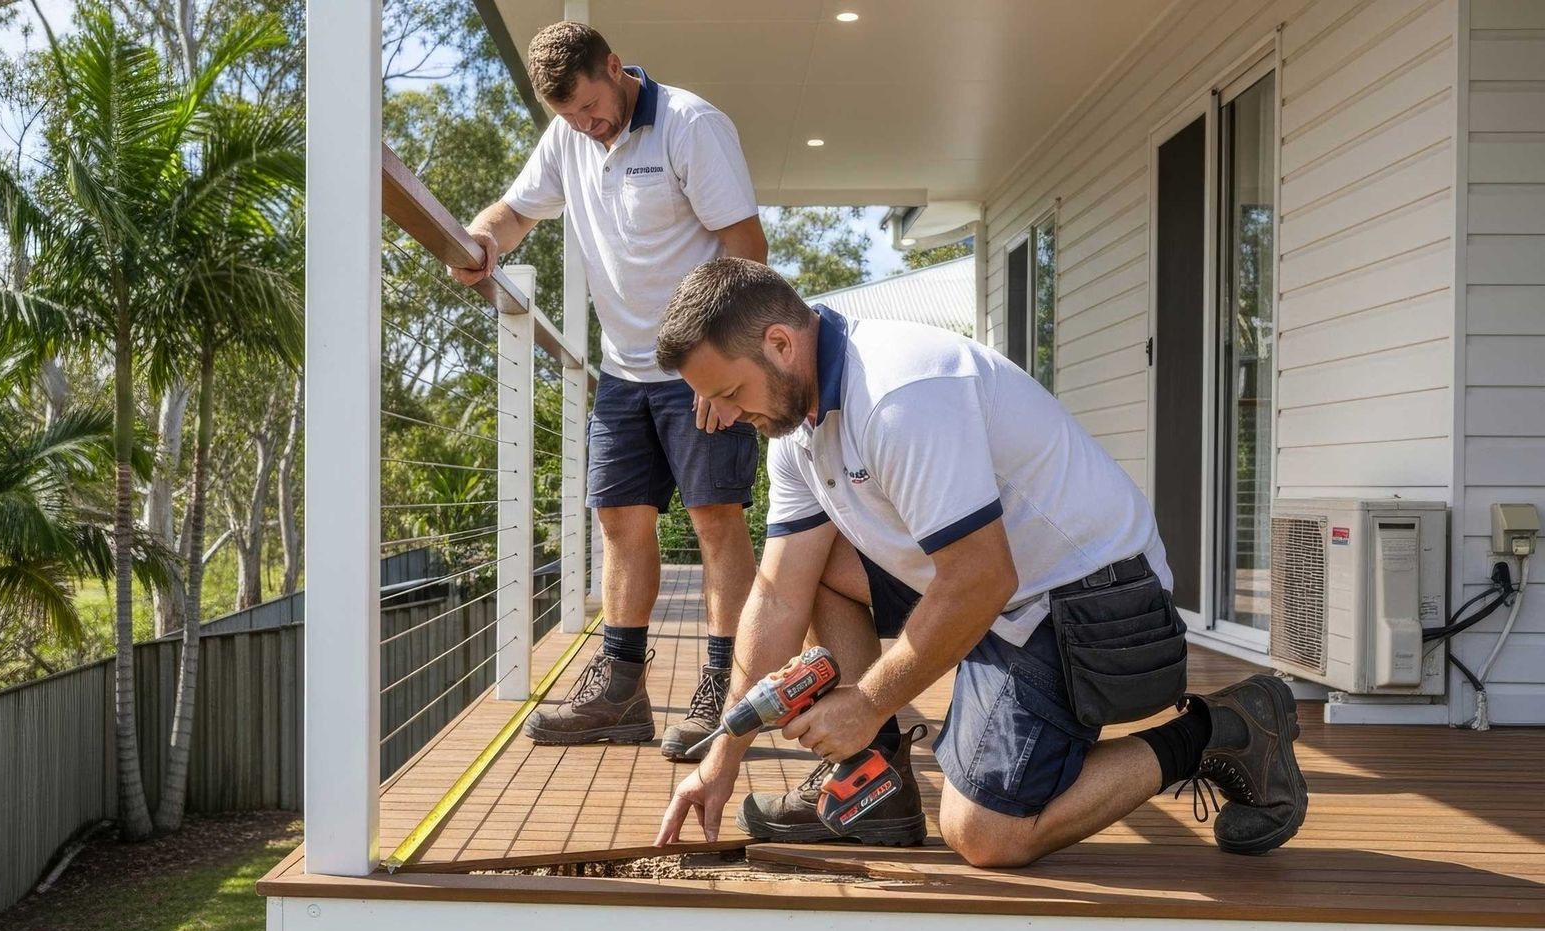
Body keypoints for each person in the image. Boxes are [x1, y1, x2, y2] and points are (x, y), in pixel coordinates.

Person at [651, 258, 1309, 865]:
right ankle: (873, 780)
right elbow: (778, 593)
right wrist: (725, 749)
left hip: (1092, 596)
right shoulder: (798, 423)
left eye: (731, 392)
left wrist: (870, 699)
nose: (729, 415)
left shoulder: (898, 394)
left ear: (780, 343)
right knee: (816, 560)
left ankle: (1226, 729)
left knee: (985, 833)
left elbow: (981, 577)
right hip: (995, 587)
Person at [450, 22, 768, 758]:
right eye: (569, 117)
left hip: (704, 367)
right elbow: (517, 211)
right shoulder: (568, 139)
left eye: (592, 108)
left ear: (616, 68)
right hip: (624, 372)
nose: (586, 126)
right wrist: (481, 239)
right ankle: (622, 694)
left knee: (715, 521)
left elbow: (747, 249)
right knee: (620, 522)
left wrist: (729, 368)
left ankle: (727, 691)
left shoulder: (690, 126)